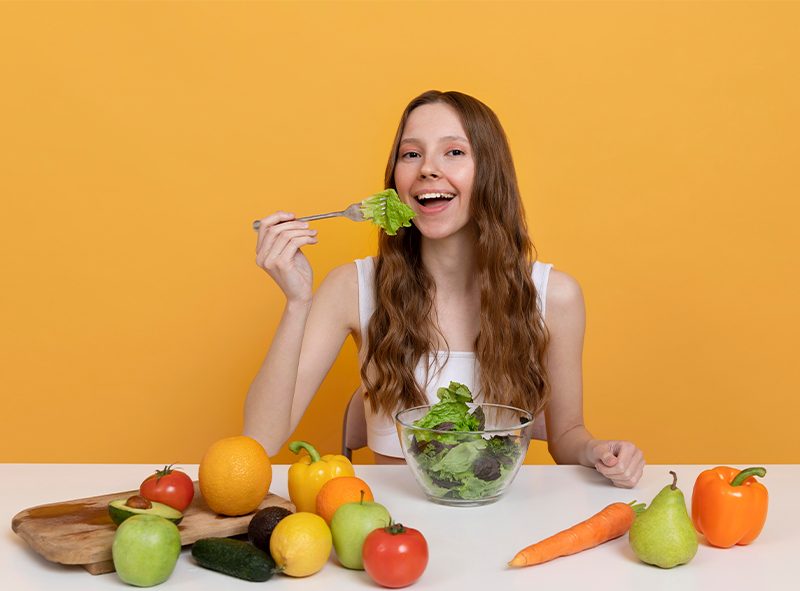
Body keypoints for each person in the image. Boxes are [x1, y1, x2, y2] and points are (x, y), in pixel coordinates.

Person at [245, 90, 645, 488]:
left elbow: (566, 435)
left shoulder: (555, 297)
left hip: (500, 519)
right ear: (395, 181)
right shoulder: (351, 287)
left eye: (453, 152)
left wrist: (595, 450)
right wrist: (297, 302)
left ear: (490, 172)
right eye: (411, 154)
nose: (427, 169)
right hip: (393, 528)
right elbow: (263, 439)